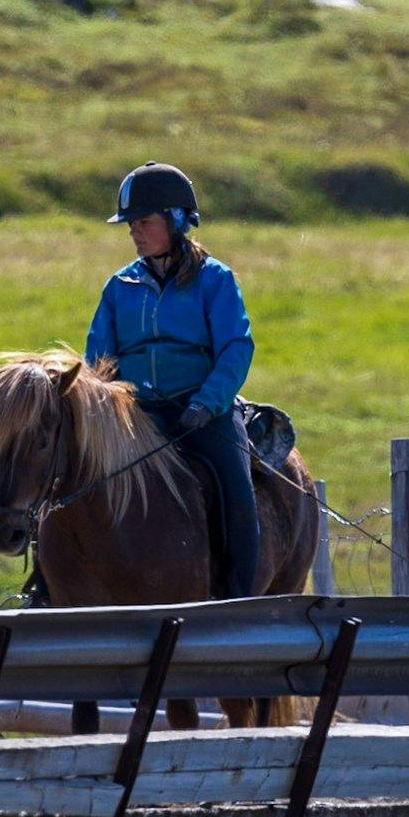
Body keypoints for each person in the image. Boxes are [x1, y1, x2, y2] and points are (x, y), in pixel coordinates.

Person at [83, 162, 262, 598]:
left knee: (237, 493)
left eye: (143, 222)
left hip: (202, 412)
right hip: (138, 416)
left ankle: (241, 595)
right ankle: (48, 581)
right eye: (131, 226)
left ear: (177, 220)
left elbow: (237, 348)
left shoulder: (215, 280)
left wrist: (206, 404)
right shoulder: (118, 286)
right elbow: (98, 360)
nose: (134, 233)